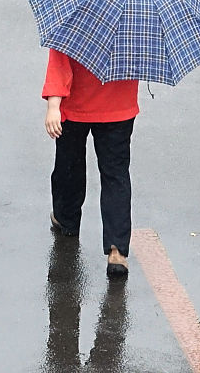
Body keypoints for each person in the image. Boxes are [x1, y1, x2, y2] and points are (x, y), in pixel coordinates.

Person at [43, 50, 138, 278]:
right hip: (119, 107)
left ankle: (67, 218)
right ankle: (117, 251)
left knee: (69, 167)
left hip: (76, 105)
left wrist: (53, 106)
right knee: (116, 175)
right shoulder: (137, 22)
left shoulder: (75, 18)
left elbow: (59, 63)